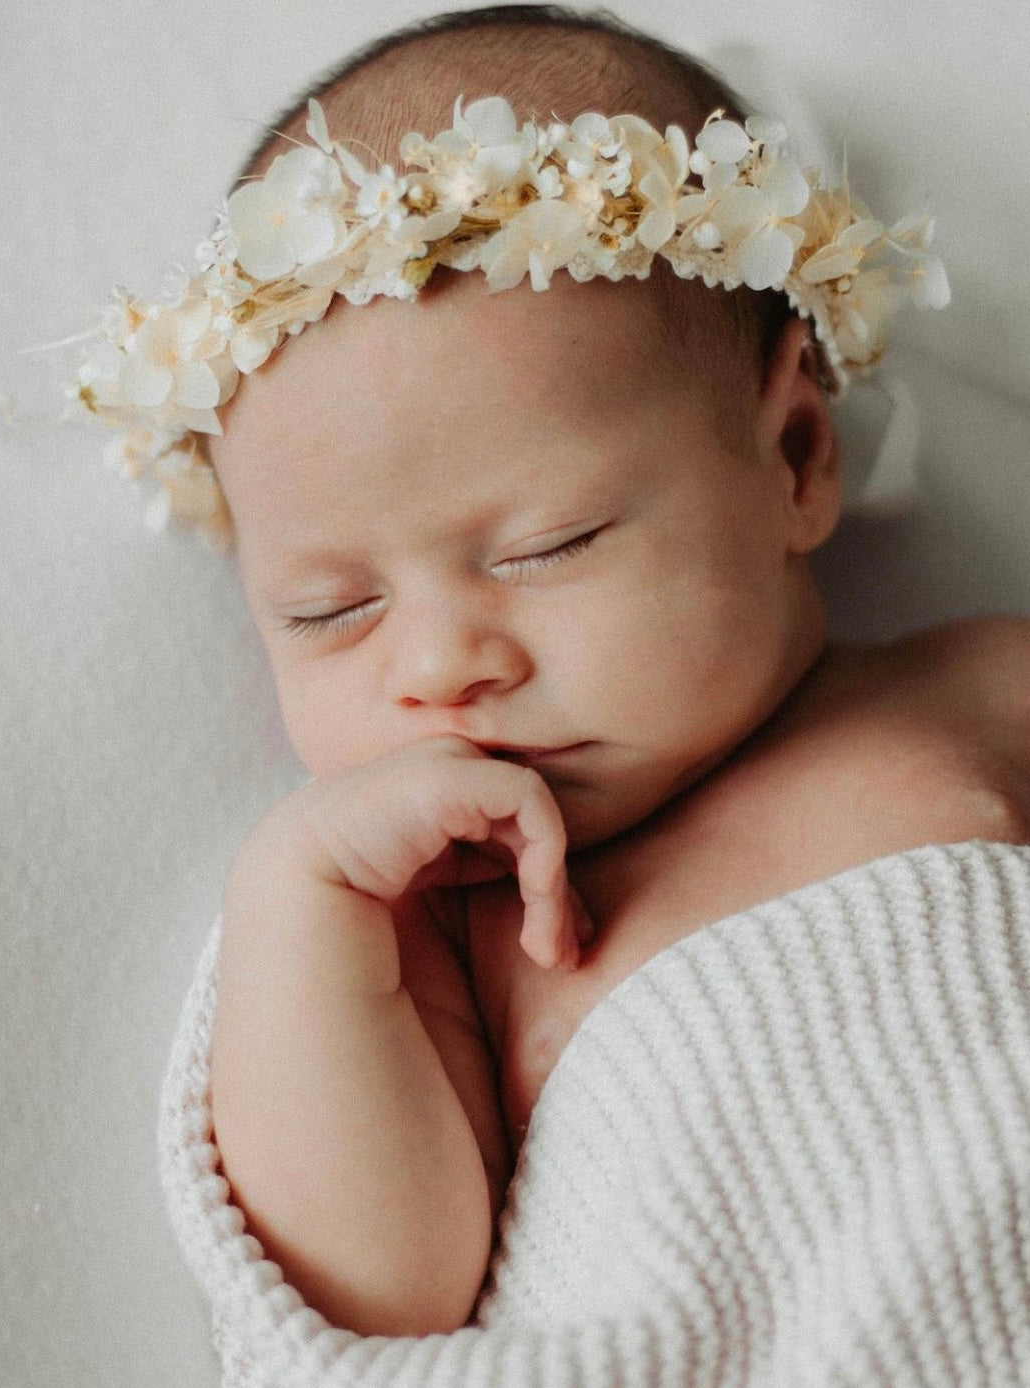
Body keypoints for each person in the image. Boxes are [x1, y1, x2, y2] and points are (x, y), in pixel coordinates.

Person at [77, 5, 1030, 1372]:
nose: (438, 663)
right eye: (329, 611)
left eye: (548, 547)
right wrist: (302, 898)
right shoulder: (439, 936)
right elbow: (379, 1293)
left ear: (796, 458)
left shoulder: (976, 685)